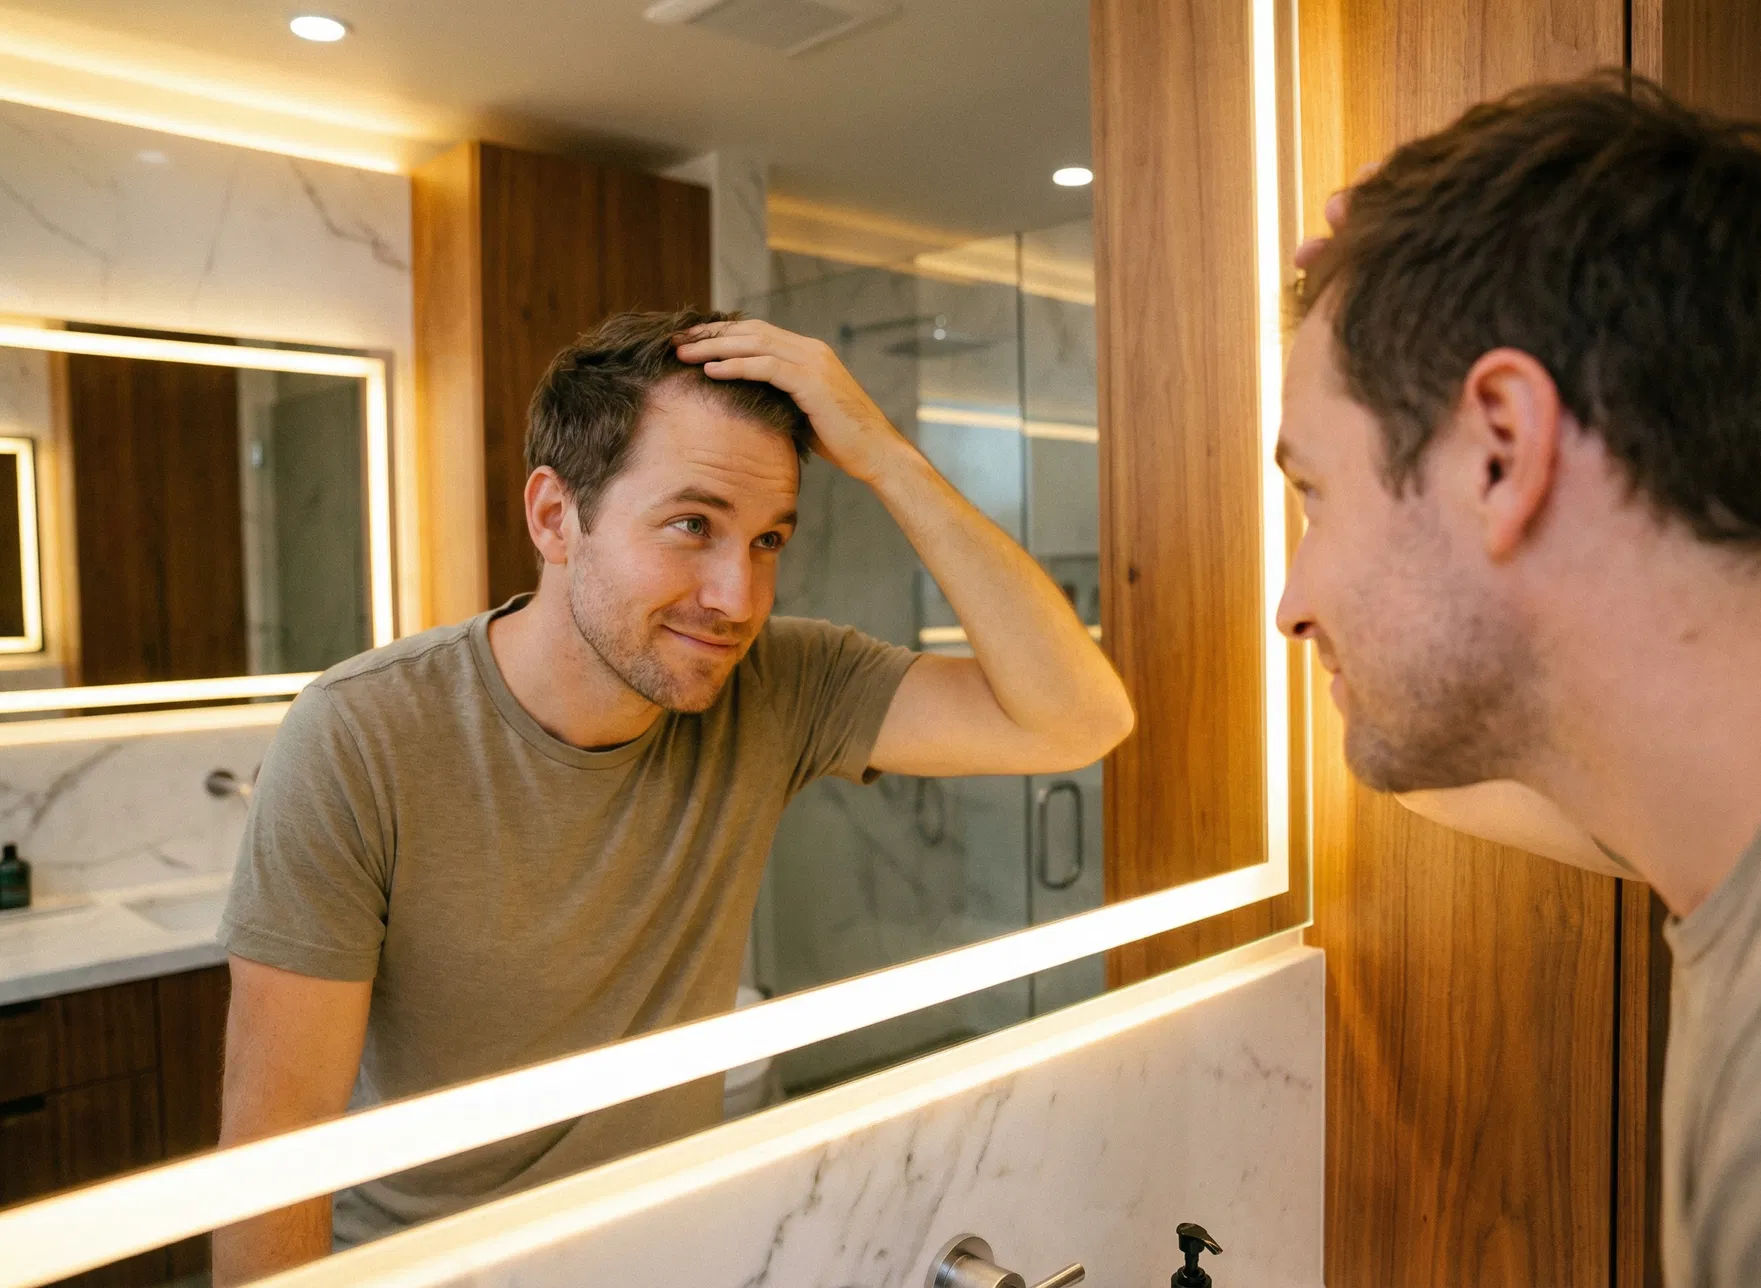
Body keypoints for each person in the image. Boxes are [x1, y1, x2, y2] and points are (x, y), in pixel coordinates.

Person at [211, 308, 1134, 1281]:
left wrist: (885, 456)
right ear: (554, 517)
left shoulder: (776, 686)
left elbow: (1077, 720)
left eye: (768, 538)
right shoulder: (362, 732)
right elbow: (274, 1147)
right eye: (692, 524)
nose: (738, 596)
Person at [1278, 76, 1761, 1287]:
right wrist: (1408, 273)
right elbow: (1413, 740)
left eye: (1312, 493)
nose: (1292, 601)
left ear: (1503, 448)